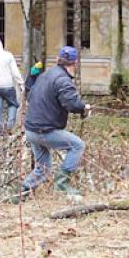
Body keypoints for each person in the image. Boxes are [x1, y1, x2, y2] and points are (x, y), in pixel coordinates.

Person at [18, 46, 91, 198]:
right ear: (75, 63)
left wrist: (31, 76)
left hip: (31, 130)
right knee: (77, 145)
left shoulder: (45, 75)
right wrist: (84, 108)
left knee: (43, 168)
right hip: (44, 131)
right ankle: (62, 183)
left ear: (58, 60)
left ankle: (19, 194)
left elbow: (29, 92)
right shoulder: (63, 80)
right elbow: (72, 104)